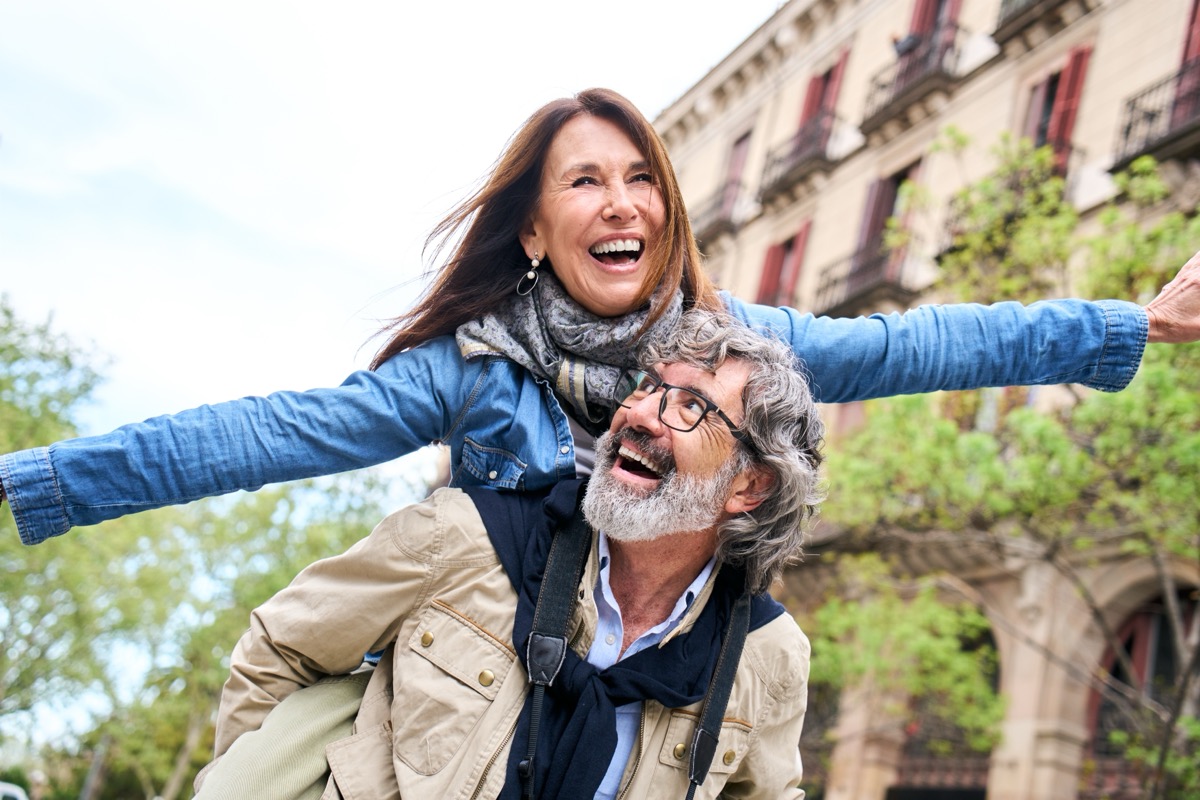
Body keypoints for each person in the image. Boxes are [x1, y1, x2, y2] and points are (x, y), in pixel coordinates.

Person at [1, 86, 1199, 545]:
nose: (619, 201)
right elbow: (265, 433)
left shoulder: (735, 341)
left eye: (640, 180)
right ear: (535, 230)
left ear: (668, 213)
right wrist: (32, 483)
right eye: (584, 180)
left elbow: (923, 341)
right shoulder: (473, 370)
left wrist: (1129, 326)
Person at [194, 310, 824, 800]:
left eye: (694, 407)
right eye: (647, 387)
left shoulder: (769, 656)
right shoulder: (462, 535)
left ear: (750, 486)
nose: (641, 416)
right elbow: (281, 648)